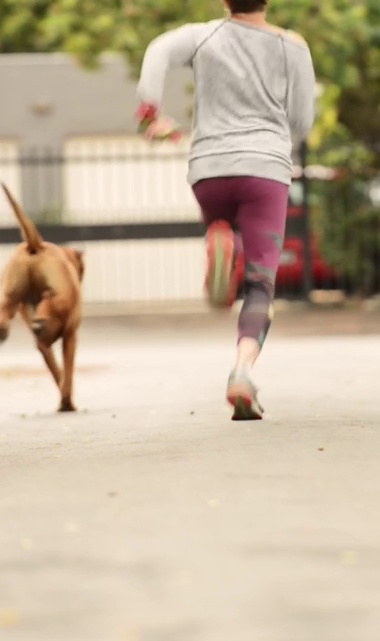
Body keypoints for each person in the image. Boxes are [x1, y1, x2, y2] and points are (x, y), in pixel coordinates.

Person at [135, 0, 316, 421]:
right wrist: (272, 139)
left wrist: (151, 114)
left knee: (223, 218)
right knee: (259, 286)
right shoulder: (294, 46)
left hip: (208, 171)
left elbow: (158, 50)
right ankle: (241, 371)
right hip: (264, 171)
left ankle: (221, 234)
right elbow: (302, 120)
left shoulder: (203, 36)